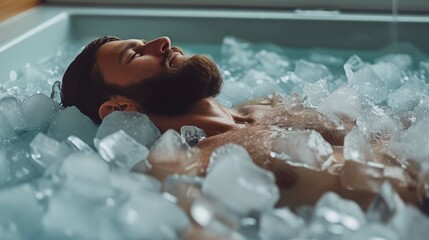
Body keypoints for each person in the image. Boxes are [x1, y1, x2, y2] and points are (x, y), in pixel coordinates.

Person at [61, 36, 420, 211]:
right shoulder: (186, 168)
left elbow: (404, 125)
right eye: (135, 54)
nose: (162, 41)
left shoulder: (269, 107)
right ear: (120, 107)